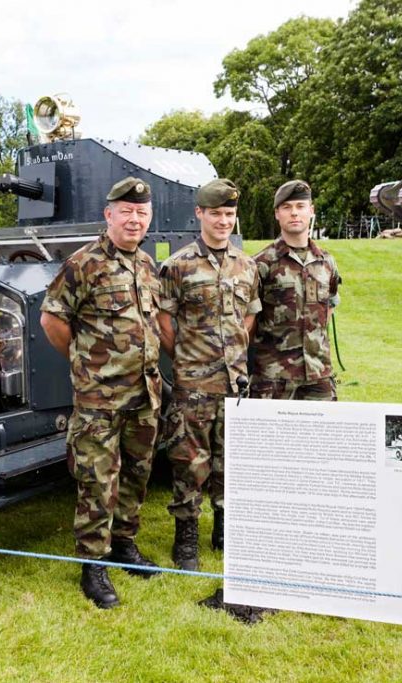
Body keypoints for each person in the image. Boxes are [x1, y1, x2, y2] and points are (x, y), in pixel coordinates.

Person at [40, 177, 162, 609]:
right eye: (126, 212)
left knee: (135, 474)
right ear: (109, 215)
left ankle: (125, 544)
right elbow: (52, 320)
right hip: (99, 398)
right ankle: (93, 565)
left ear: (149, 219)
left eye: (141, 213)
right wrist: (84, 361)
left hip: (144, 394)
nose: (134, 219)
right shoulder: (83, 263)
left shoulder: (146, 265)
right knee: (97, 479)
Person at [157, 178, 260, 570]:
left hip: (234, 384)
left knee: (229, 461)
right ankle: (186, 541)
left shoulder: (247, 266)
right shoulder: (178, 266)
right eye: (216, 213)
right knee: (188, 462)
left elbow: (249, 316)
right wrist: (186, 357)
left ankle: (223, 529)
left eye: (229, 214)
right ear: (199, 213)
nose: (223, 221)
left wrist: (232, 354)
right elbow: (165, 321)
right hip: (193, 385)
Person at [249, 180, 341, 401]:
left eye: (300, 207)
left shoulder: (326, 262)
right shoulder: (261, 264)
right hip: (273, 378)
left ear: (311, 210)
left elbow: (328, 308)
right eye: (287, 207)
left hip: (318, 375)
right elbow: (249, 322)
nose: (294, 213)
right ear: (277, 214)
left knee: (323, 434)